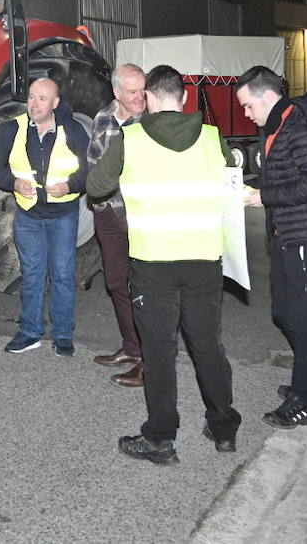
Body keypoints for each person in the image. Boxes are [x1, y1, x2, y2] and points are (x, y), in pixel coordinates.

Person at [87, 65, 241, 465]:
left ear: (151, 98)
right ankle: (223, 428)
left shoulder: (130, 138)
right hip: (204, 260)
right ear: (185, 97)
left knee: (158, 352)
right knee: (207, 346)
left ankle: (160, 439)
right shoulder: (212, 137)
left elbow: (97, 186)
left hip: (154, 263)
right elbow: (235, 185)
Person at [237, 65, 307, 429]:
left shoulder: (301, 129)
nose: (246, 114)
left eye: (248, 105)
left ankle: (301, 402)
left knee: (300, 318)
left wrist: (263, 196)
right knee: (283, 313)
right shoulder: (276, 128)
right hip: (287, 234)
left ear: (267, 96)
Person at [0, 77, 90, 357]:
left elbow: (92, 167)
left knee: (62, 275)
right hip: (29, 216)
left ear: (55, 103)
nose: (34, 103)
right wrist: (13, 182)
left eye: (42, 98)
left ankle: (63, 334)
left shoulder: (73, 130)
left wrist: (71, 185)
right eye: (31, 97)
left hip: (63, 216)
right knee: (32, 275)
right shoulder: (14, 129)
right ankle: (30, 331)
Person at [86, 63, 147, 387]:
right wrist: (98, 203)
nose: (140, 97)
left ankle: (148, 361)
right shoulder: (103, 118)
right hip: (108, 212)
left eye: (143, 90)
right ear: (117, 92)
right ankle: (131, 347)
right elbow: (94, 162)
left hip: (137, 215)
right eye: (133, 91)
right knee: (116, 282)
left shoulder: (150, 123)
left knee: (145, 288)